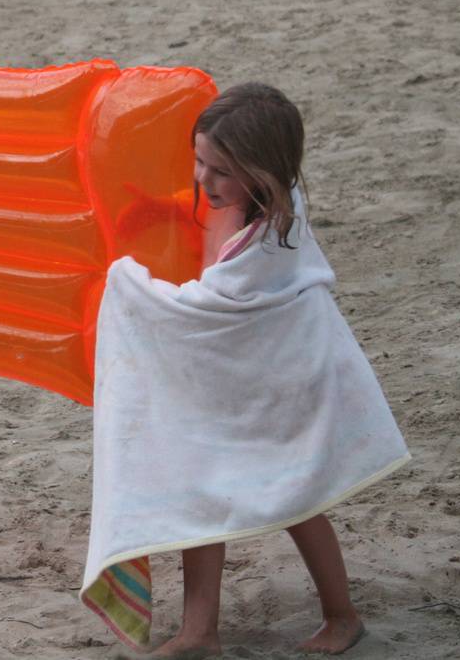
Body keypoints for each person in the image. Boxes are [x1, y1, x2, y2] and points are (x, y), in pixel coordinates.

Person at [81, 83, 408, 656]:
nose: (204, 181)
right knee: (201, 485)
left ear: (264, 175)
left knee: (296, 499)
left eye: (220, 171)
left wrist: (126, 284)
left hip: (288, 377)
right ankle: (198, 633)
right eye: (199, 161)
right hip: (255, 375)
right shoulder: (248, 198)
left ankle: (343, 617)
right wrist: (163, 209)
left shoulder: (269, 242)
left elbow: (202, 308)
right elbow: (210, 225)